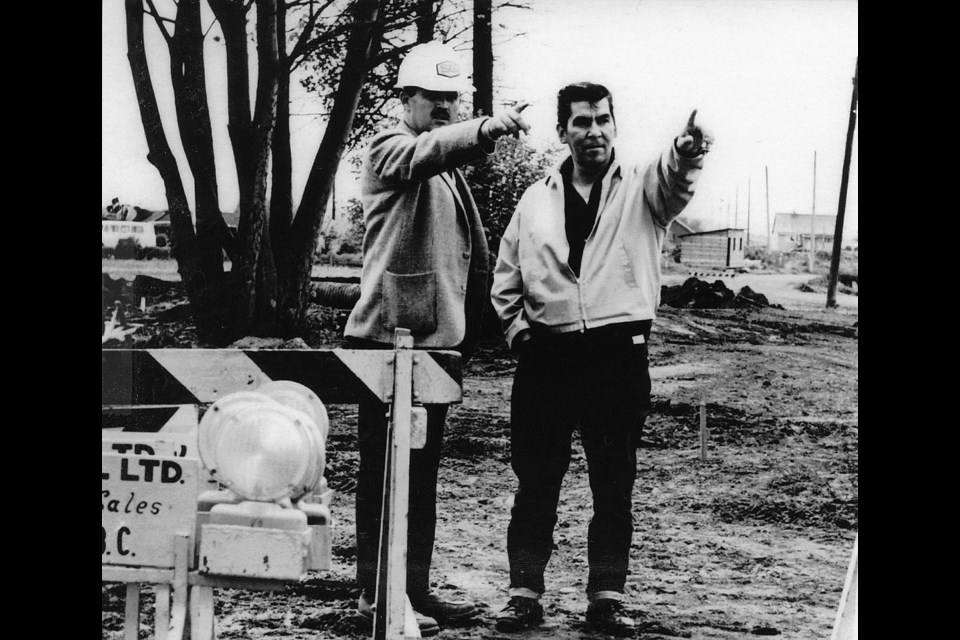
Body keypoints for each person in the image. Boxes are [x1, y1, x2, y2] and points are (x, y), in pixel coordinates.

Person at [490, 82, 712, 636]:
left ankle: (607, 598)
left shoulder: (642, 188)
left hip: (617, 356)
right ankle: (523, 594)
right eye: (581, 122)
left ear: (616, 125)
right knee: (535, 481)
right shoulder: (535, 197)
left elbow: (674, 181)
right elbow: (506, 277)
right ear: (562, 130)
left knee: (613, 483)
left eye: (603, 120)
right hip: (548, 359)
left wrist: (686, 153)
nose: (593, 131)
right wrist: (520, 334)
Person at [343, 40, 530, 636]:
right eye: (436, 97)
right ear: (406, 99)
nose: (447, 108)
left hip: (430, 344)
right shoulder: (388, 148)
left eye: (454, 98)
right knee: (384, 472)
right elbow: (425, 152)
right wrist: (484, 129)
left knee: (419, 477)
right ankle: (377, 593)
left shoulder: (438, 164)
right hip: (391, 341)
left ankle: (411, 590)